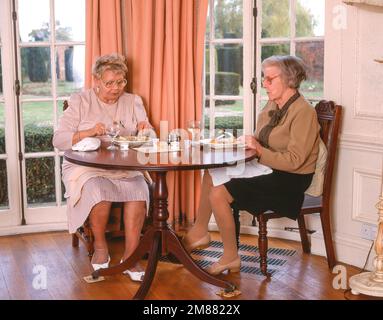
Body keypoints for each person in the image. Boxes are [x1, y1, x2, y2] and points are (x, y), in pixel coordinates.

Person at [183, 55, 320, 275]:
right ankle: (200, 231)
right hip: (269, 167)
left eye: (270, 79)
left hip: (289, 179)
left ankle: (230, 258)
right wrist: (253, 142)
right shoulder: (274, 104)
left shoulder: (304, 112)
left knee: (219, 194)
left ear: (288, 80)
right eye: (264, 79)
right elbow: (261, 138)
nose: (264, 84)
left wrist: (258, 150)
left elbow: (295, 161)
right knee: (212, 173)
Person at [53, 53, 153, 281]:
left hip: (124, 165)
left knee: (139, 190)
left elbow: (150, 135)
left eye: (120, 82)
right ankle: (100, 247)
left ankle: (131, 257)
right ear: (96, 81)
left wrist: (145, 130)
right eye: (109, 83)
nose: (116, 88)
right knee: (98, 190)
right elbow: (58, 140)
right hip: (86, 167)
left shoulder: (133, 101)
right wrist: (88, 132)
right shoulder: (80, 101)